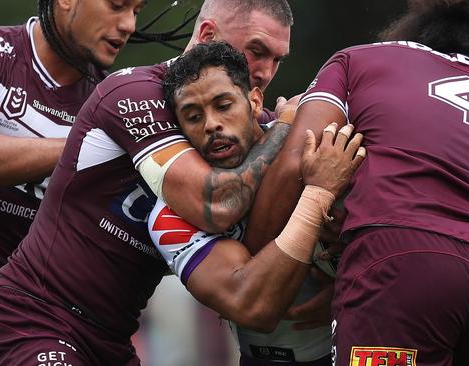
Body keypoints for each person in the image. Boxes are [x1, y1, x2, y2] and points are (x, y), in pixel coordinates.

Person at [0, 1, 297, 365]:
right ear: (207, 35)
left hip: (112, 340)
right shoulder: (135, 92)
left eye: (277, 60)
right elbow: (216, 205)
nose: (266, 72)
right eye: (257, 51)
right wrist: (286, 128)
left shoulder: (249, 129)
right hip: (36, 321)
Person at [242, 1, 469, 365]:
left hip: (399, 262)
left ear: (420, 24)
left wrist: (257, 268)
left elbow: (297, 162)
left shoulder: (358, 60)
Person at [0, 0, 175, 364]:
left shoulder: (114, 101)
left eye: (136, 11)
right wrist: (86, 145)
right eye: (117, 5)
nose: (128, 24)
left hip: (35, 323)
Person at [149, 41, 357, 366]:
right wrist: (317, 195)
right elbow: (253, 306)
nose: (211, 124)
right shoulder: (172, 213)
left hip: (354, 345)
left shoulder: (313, 141)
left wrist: (351, 280)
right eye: (193, 116)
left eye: (223, 105)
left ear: (255, 100)